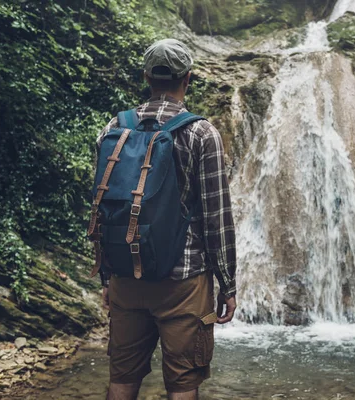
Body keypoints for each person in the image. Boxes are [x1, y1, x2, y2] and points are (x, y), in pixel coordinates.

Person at [95, 39, 237, 400]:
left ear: (147, 77)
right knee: (183, 386)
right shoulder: (200, 133)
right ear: (187, 78)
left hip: (127, 275)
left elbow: (103, 205)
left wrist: (106, 274)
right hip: (184, 283)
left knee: (122, 381)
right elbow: (216, 218)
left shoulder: (116, 127)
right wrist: (228, 285)